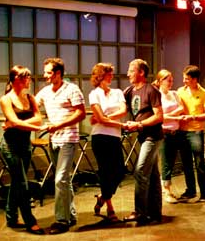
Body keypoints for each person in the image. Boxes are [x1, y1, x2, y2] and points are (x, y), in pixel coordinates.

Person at [36, 58, 86, 234]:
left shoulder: (72, 89)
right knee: (64, 180)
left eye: (49, 72)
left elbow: (81, 114)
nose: (45, 76)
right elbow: (32, 105)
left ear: (58, 74)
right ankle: (71, 215)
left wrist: (58, 125)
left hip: (68, 139)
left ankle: (61, 220)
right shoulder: (46, 92)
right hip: (54, 140)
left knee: (60, 179)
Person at [0, 65, 46, 235]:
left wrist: (19, 125)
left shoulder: (30, 98)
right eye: (25, 77)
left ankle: (11, 217)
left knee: (17, 183)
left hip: (25, 145)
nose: (29, 80)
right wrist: (27, 126)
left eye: (28, 76)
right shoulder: (6, 99)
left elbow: (39, 119)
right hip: (11, 147)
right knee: (23, 184)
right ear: (16, 80)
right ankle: (30, 221)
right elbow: (15, 121)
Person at [122, 59, 163, 225]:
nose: (128, 74)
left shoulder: (151, 90)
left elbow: (159, 116)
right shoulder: (129, 91)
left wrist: (139, 124)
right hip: (142, 137)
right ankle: (155, 213)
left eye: (131, 70)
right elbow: (121, 108)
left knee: (140, 171)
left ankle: (140, 212)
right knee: (152, 175)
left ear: (141, 73)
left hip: (153, 137)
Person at [88, 63, 127, 221]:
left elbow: (123, 111)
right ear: (100, 76)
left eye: (112, 73)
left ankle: (102, 197)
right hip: (100, 136)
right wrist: (120, 123)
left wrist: (105, 118)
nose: (111, 76)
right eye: (108, 74)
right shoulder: (94, 94)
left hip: (114, 136)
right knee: (105, 172)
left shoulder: (117, 92)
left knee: (119, 171)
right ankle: (110, 208)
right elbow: (100, 119)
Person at [177, 65, 205, 202]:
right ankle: (190, 191)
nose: (184, 81)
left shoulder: (204, 93)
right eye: (184, 78)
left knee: (199, 163)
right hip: (182, 131)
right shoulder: (180, 91)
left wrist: (193, 117)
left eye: (187, 79)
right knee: (186, 163)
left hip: (196, 131)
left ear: (195, 79)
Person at [152, 69, 184, 204]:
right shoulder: (156, 95)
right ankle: (167, 190)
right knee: (165, 162)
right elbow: (160, 117)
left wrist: (169, 116)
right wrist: (173, 116)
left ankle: (165, 187)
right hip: (164, 133)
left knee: (171, 162)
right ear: (160, 81)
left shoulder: (175, 94)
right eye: (167, 80)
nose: (171, 82)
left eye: (171, 80)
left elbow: (182, 108)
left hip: (175, 132)